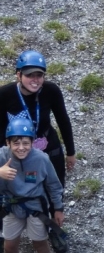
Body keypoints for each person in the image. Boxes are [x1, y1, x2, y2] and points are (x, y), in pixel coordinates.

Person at [0, 117, 64, 253]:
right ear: (7, 142)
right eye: (16, 143)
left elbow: (54, 185)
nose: (21, 147)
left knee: (39, 243)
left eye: (26, 143)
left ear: (33, 143)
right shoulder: (1, 156)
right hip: (11, 206)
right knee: (9, 245)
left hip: (35, 207)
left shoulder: (41, 159)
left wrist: (58, 209)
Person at [0, 50, 76, 189]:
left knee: (55, 185)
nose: (35, 80)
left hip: (48, 146)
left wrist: (70, 152)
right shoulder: (5, 94)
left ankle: (56, 210)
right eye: (29, 75)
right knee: (27, 189)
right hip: (19, 150)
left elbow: (63, 121)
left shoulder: (51, 90)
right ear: (19, 75)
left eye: (39, 75)